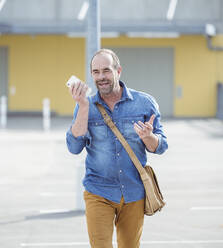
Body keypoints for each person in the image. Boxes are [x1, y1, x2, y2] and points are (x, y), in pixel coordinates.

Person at [66, 48, 168, 248]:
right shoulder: (84, 105)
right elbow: (74, 146)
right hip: (98, 191)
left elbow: (161, 146)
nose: (101, 77)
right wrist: (84, 107)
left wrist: (149, 138)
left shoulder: (144, 103)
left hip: (134, 193)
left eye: (106, 70)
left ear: (118, 71)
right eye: (96, 72)